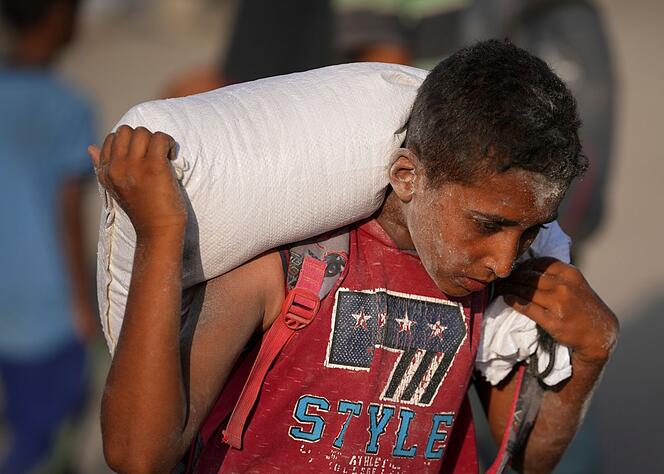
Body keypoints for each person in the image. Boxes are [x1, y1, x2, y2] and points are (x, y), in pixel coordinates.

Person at [91, 40, 618, 473]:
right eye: (488, 224)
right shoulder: (289, 263)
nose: (504, 261)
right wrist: (161, 235)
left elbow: (524, 458)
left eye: (529, 232)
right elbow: (139, 455)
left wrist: (591, 355)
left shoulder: (487, 287)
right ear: (407, 176)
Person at [0, 0, 96, 472]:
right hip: (47, 310)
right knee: (43, 449)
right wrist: (83, 305)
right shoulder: (68, 106)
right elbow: (68, 215)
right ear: (58, 16)